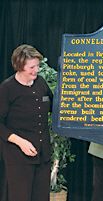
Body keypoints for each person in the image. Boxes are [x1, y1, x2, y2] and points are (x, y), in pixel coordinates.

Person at [0, 44, 53, 201]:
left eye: (37, 66)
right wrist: (20, 142)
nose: (36, 70)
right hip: (17, 155)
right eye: (31, 67)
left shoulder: (41, 83)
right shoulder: (7, 88)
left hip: (42, 153)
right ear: (19, 66)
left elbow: (54, 106)